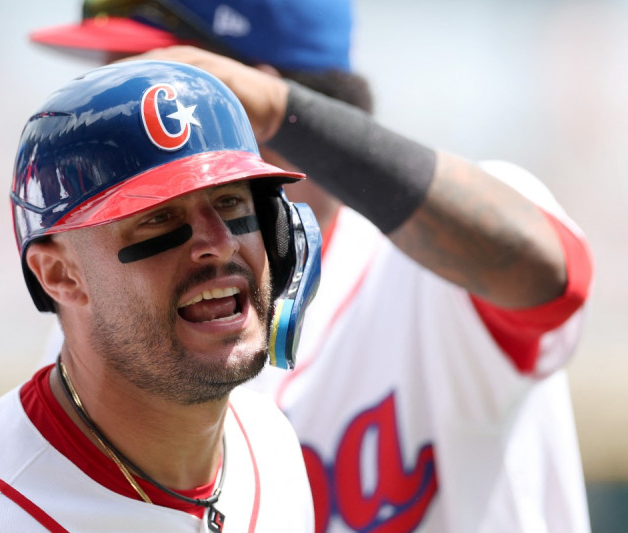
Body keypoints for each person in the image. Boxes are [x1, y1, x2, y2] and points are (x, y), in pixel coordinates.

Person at [29, 2, 595, 532]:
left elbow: (551, 274)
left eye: (145, 89)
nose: (112, 122)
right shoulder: (122, 315)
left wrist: (281, 110)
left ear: (247, 91)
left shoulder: (429, 266)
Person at [0, 60, 320, 532]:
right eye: (159, 218)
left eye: (230, 201)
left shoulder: (270, 447)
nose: (219, 243)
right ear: (60, 274)